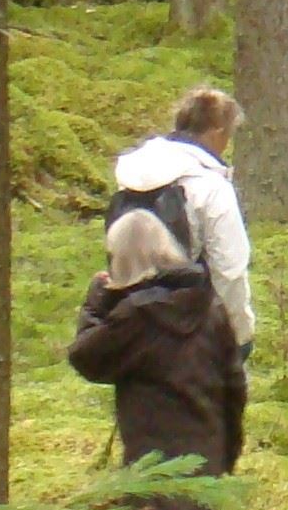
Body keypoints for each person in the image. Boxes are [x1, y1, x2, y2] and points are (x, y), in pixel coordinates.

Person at [68, 206, 248, 510]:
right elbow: (234, 384)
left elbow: (87, 357)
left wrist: (96, 303)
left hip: (156, 463)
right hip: (203, 456)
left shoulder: (136, 317)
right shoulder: (210, 306)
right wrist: (227, 454)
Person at [110, 88, 256, 352]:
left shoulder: (132, 174)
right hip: (190, 325)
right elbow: (230, 269)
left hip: (131, 317)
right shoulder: (210, 185)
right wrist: (238, 334)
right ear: (217, 131)